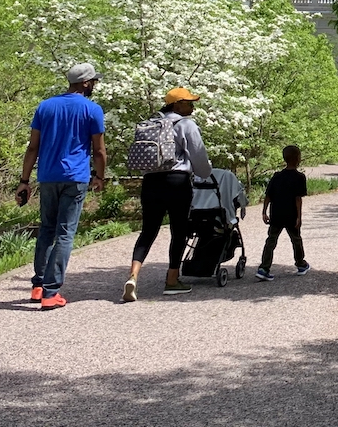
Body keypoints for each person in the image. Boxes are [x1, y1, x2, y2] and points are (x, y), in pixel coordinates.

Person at [18, 63, 107, 310]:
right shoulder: (92, 109)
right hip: (75, 177)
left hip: (47, 176)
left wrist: (24, 181)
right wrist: (99, 177)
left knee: (46, 229)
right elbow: (98, 150)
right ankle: (51, 292)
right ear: (86, 83)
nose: (94, 86)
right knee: (65, 233)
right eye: (93, 82)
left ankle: (38, 286)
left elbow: (32, 147)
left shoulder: (45, 106)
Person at [123, 87, 212, 301]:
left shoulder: (153, 123)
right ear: (176, 104)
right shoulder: (185, 124)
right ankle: (172, 281)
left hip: (151, 181)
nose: (192, 106)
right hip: (176, 181)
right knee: (179, 230)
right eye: (188, 102)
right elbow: (199, 156)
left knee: (148, 231)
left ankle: (133, 276)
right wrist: (206, 172)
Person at [256, 145, 310, 280]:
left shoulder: (277, 176)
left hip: (276, 214)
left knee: (271, 240)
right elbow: (298, 199)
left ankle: (264, 268)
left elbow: (268, 195)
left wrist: (264, 211)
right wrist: (299, 217)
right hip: (291, 214)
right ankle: (300, 264)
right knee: (296, 240)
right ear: (298, 159)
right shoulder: (299, 177)